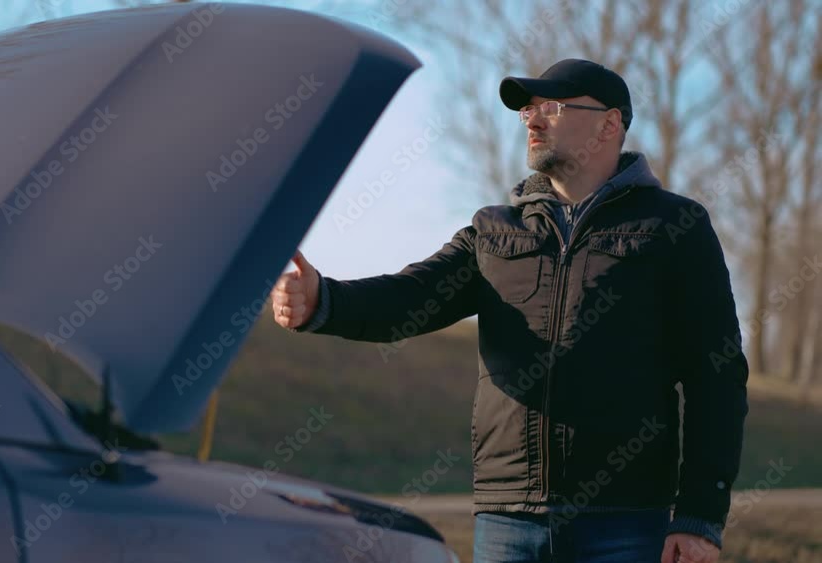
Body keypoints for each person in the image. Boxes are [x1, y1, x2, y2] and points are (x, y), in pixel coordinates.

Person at [270, 59, 749, 563]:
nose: (533, 119)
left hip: (626, 521)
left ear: (610, 124)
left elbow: (715, 377)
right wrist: (321, 298)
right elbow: (408, 297)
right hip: (507, 521)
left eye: (552, 106)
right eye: (527, 109)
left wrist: (700, 516)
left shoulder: (674, 227)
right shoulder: (495, 231)